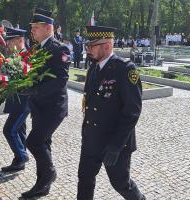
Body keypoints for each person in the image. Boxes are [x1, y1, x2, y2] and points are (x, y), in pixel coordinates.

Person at [77, 25, 145, 200]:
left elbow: (132, 112)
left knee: (120, 183)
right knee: (84, 178)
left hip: (114, 143)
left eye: (92, 46)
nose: (88, 50)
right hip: (92, 138)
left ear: (107, 46)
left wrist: (116, 146)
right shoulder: (94, 67)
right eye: (87, 46)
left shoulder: (125, 70)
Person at [20, 7, 70, 199]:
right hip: (38, 106)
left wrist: (34, 90)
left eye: (36, 28)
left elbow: (60, 81)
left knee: (33, 141)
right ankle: (42, 185)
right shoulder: (35, 49)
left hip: (53, 107)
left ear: (48, 28)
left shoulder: (60, 49)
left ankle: (49, 174)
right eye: (32, 28)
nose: (32, 32)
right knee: (44, 144)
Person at [0, 27, 30, 173]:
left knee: (9, 130)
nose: (8, 44)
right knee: (19, 131)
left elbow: (27, 80)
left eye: (11, 41)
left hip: (23, 102)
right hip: (15, 101)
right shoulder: (14, 55)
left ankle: (23, 156)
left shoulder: (28, 56)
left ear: (20, 40)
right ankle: (19, 161)